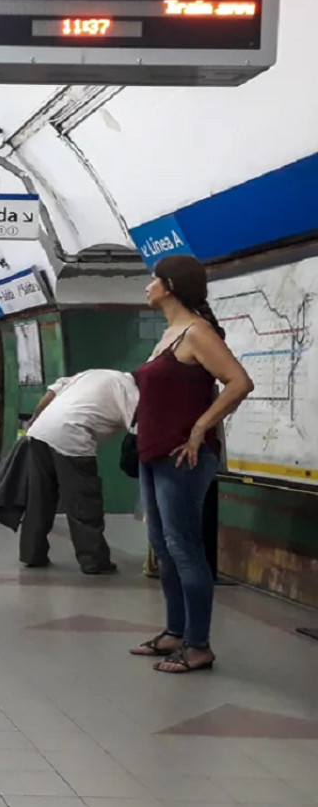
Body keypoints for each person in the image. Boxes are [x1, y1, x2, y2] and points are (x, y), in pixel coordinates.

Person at [129, 255, 253, 674]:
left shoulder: (197, 333)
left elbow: (239, 381)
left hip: (183, 455)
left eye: (153, 280)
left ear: (169, 285)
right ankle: (175, 632)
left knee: (184, 546)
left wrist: (201, 427)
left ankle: (198, 644)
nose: (147, 286)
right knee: (164, 547)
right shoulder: (170, 334)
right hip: (153, 451)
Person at [21, 369, 139, 574]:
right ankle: (94, 560)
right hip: (72, 435)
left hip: (39, 432)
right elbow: (138, 431)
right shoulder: (130, 389)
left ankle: (32, 554)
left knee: (40, 497)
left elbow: (50, 394)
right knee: (83, 499)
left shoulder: (90, 374)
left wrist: (35, 421)